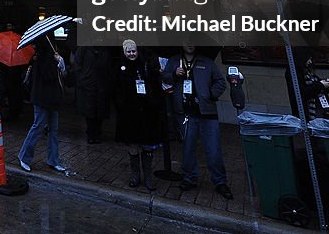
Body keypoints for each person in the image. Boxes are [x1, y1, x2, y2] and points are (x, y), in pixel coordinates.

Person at [162, 45, 233, 199]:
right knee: (187, 148)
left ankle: (220, 181)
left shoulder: (207, 62)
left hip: (207, 113)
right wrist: (174, 74)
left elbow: (220, 82)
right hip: (185, 112)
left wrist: (209, 95)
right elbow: (164, 77)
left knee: (213, 149)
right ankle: (189, 178)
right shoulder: (174, 61)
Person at [113, 40, 164, 190]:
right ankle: (135, 175)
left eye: (133, 51)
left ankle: (148, 177)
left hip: (147, 112)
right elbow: (116, 89)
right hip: (129, 113)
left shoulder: (146, 65)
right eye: (128, 51)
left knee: (147, 145)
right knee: (133, 144)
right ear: (124, 52)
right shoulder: (120, 68)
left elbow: (155, 85)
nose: (131, 54)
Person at [17, 37, 66, 173]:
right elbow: (48, 76)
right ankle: (24, 157)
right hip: (42, 98)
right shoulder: (42, 58)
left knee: (53, 130)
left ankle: (54, 160)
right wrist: (57, 64)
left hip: (52, 99)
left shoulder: (46, 56)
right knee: (38, 127)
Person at [73, 45, 113, 144]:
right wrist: (83, 80)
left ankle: (97, 133)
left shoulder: (105, 50)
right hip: (88, 85)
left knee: (100, 110)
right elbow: (77, 66)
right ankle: (91, 134)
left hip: (101, 85)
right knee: (89, 111)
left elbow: (108, 67)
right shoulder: (83, 49)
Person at [284, 47, 329, 121]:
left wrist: (326, 85)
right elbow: (302, 93)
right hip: (308, 113)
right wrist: (321, 85)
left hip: (319, 109)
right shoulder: (295, 73)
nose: (310, 62)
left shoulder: (308, 71)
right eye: (309, 59)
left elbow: (315, 85)